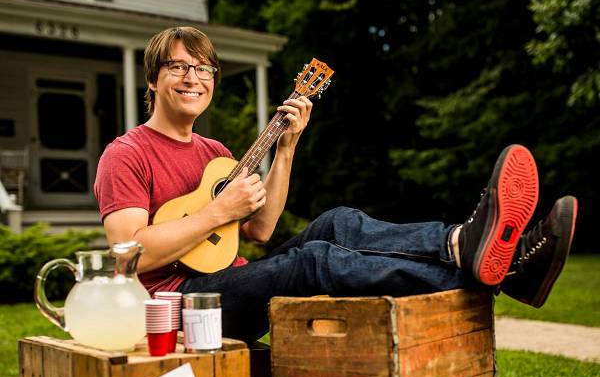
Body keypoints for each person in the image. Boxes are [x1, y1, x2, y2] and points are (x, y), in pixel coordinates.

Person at [94, 26, 578, 342]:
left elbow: (260, 229)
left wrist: (286, 149)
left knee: (339, 223)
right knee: (316, 260)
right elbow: (129, 256)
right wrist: (217, 213)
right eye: (178, 66)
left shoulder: (216, 154)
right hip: (179, 312)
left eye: (203, 68)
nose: (193, 77)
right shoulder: (127, 154)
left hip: (231, 284)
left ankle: (461, 243)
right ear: (153, 80)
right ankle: (502, 268)